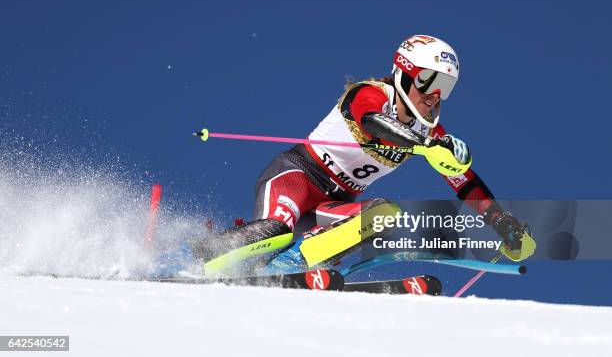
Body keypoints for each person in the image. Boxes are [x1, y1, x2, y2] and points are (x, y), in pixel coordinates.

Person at [160, 35, 536, 278]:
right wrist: (425, 146)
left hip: (334, 205)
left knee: (385, 213)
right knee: (276, 230)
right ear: (404, 75)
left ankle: (289, 266)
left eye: (446, 87)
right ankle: (180, 258)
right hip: (298, 176)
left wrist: (502, 221)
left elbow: (465, 181)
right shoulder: (371, 93)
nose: (435, 95)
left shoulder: (429, 134)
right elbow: (371, 122)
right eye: (429, 81)